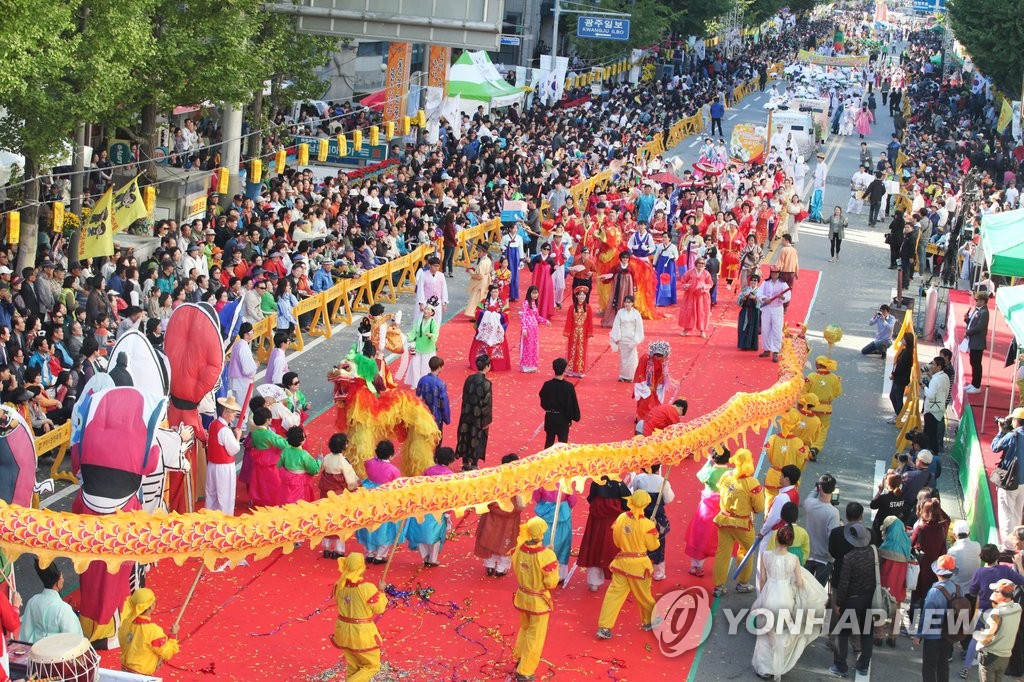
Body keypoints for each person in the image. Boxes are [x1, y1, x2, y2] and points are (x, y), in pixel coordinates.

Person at [752, 523, 827, 680]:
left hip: (769, 593)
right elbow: (799, 582)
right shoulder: (794, 559)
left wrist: (763, 595)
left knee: (765, 632)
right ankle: (777, 665)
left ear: (776, 539)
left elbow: (763, 579)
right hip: (786, 596)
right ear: (790, 542)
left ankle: (763, 668)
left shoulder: (766, 555)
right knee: (782, 631)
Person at [596, 490, 660, 639]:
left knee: (613, 596)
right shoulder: (647, 524)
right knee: (644, 595)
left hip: (621, 564)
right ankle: (649, 621)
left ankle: (604, 627)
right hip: (640, 567)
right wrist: (654, 533)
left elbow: (617, 541)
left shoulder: (621, 518)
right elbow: (653, 546)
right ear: (646, 504)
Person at [511, 516, 560, 682]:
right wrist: (550, 555)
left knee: (524, 629)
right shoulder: (547, 555)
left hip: (522, 596)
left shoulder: (518, 549)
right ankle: (525, 671)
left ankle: (520, 658)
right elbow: (551, 583)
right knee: (535, 636)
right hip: (538, 602)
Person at [712, 448, 765, 596]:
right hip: (741, 524)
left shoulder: (726, 475)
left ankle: (718, 587)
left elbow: (720, 490)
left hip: (724, 520)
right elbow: (759, 507)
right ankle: (742, 583)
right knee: (747, 551)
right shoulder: (752, 483)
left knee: (722, 553)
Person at [829, 521, 878, 677]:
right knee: (867, 632)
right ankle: (864, 665)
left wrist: (838, 603)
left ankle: (840, 665)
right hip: (870, 598)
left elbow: (844, 583)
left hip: (852, 600)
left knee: (843, 633)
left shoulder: (849, 557)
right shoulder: (874, 553)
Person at [332, 553, 388, 682]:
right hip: (361, 633)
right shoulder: (367, 588)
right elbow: (379, 609)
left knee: (354, 666)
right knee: (371, 666)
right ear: (361, 566)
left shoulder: (339, 585)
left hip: (343, 631)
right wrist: (381, 591)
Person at [474, 453, 525, 577]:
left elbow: (483, 496)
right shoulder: (518, 481)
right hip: (510, 517)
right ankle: (501, 568)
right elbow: (521, 503)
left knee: (489, 538)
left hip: (492, 514)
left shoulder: (494, 479)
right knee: (505, 542)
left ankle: (490, 565)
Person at [354, 440, 404, 563]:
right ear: (391, 455)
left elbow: (368, 465)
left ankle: (369, 553)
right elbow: (398, 486)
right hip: (384, 500)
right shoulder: (394, 470)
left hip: (369, 497)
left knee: (369, 524)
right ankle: (380, 555)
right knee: (384, 527)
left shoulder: (369, 463)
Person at [578, 476, 631, 592]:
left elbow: (591, 498)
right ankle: (618, 580)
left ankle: (594, 582)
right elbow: (627, 502)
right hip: (614, 522)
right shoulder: (619, 483)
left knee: (595, 548)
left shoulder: (596, 481)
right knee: (615, 550)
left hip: (597, 522)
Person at [406, 447, 456, 567]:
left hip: (425, 505)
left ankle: (425, 555)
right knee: (437, 534)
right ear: (450, 460)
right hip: (440, 508)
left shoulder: (429, 470)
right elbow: (449, 495)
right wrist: (448, 513)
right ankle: (432, 558)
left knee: (421, 530)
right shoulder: (449, 475)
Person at [914, 554, 960, 682]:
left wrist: (919, 635)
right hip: (949, 634)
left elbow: (927, 615)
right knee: (943, 665)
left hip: (933, 636)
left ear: (937, 572)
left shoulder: (934, 591)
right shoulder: (957, 589)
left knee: (929, 668)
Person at [686, 448, 731, 577]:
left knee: (701, 536)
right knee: (723, 537)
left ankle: (697, 566)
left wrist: (708, 461)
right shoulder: (731, 473)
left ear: (714, 458)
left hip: (707, 508)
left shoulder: (709, 472)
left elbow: (699, 475)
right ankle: (722, 567)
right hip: (725, 507)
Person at [119, 588, 180, 675]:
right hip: (141, 676)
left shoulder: (126, 623)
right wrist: (173, 636)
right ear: (151, 606)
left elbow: (126, 644)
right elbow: (167, 653)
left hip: (124, 672)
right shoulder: (153, 631)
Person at [630, 464, 676, 581]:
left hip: (641, 514)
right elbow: (669, 498)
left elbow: (632, 493)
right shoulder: (662, 481)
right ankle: (659, 573)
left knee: (638, 541)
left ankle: (638, 569)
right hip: (657, 517)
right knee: (659, 543)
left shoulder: (638, 478)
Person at [20, 560, 82, 643]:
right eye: (61, 577)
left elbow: (26, 632)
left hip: (36, 647)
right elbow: (73, 637)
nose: (63, 579)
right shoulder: (63, 608)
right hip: (57, 649)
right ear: (57, 583)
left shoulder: (33, 601)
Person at [319, 432, 359, 559]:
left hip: (326, 493)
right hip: (339, 494)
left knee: (327, 519)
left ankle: (326, 548)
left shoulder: (326, 458)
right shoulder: (343, 462)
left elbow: (321, 469)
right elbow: (351, 481)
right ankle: (338, 549)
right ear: (344, 446)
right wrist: (354, 488)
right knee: (339, 521)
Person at [974, 578, 1023, 682]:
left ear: (1001, 594)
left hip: (991, 656)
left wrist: (978, 636)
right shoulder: (1017, 607)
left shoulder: (996, 612)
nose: (993, 593)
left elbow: (987, 637)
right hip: (1005, 656)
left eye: (995, 591)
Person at [206, 393, 242, 515]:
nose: (234, 415)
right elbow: (234, 449)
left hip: (212, 465)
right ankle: (225, 519)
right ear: (225, 412)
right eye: (232, 412)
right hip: (224, 467)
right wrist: (238, 437)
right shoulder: (225, 430)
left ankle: (209, 517)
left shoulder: (213, 424)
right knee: (225, 497)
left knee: (211, 494)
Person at [762, 411, 808, 508]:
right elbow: (800, 462)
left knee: (770, 504)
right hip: (790, 479)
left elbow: (769, 454)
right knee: (787, 505)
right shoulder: (798, 442)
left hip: (773, 476)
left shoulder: (773, 438)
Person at [456, 354, 493, 470]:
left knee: (465, 436)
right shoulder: (486, 383)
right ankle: (474, 464)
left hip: (467, 413)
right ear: (487, 366)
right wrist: (486, 421)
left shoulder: (469, 379)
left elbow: (464, 397)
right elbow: (487, 404)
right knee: (477, 438)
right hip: (478, 417)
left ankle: (465, 463)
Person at [533, 482, 576, 581]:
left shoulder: (544, 480)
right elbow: (572, 499)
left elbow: (536, 496)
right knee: (563, 543)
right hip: (562, 512)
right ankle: (560, 574)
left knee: (544, 541)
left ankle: (542, 570)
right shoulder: (565, 482)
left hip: (545, 510)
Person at [804, 473, 841, 586]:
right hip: (825, 558)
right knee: (818, 590)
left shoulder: (809, 504)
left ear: (819, 487)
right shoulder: (833, 513)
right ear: (833, 489)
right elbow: (832, 537)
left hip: (809, 553)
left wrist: (817, 487)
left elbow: (811, 494)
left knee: (805, 586)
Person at [993, 409, 1024, 542]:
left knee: (1006, 514)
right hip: (1022, 483)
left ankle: (1007, 546)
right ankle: (1016, 541)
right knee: (1017, 513)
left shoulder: (1013, 435)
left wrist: (1001, 432)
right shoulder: (1013, 435)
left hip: (1010, 481)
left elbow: (995, 447)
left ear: (1016, 421)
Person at [539, 357, 581, 448]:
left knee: (549, 442)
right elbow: (572, 404)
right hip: (563, 419)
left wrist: (549, 409)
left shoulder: (547, 385)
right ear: (564, 369)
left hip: (550, 417)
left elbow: (542, 399)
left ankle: (546, 457)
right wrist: (571, 417)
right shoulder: (568, 387)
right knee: (563, 444)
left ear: (553, 368)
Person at [468, 284, 510, 372]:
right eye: (493, 291)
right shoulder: (483, 302)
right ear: (490, 292)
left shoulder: (503, 304)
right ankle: (481, 364)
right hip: (485, 330)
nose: (495, 293)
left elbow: (506, 314)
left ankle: (496, 365)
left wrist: (496, 316)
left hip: (497, 329)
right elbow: (477, 311)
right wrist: (487, 315)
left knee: (497, 348)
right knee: (482, 346)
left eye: (496, 291)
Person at [805, 355, 842, 453]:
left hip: (811, 407)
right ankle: (815, 448)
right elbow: (838, 392)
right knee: (822, 429)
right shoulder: (834, 378)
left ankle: (807, 445)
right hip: (825, 409)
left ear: (818, 365)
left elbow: (804, 391)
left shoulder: (811, 376)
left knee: (810, 426)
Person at [277, 425, 321, 504]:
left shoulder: (285, 451)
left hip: (287, 481)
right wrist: (319, 460)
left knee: (287, 501)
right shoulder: (304, 454)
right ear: (301, 441)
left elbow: (278, 465)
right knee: (301, 503)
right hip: (300, 483)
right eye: (304, 437)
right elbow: (314, 469)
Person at [633, 340, 670, 425]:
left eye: (660, 356)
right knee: (645, 399)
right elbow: (640, 371)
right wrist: (646, 385)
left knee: (656, 400)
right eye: (657, 355)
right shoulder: (645, 358)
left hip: (656, 383)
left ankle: (653, 417)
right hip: (644, 381)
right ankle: (640, 418)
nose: (658, 358)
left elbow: (662, 374)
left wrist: (658, 385)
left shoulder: (664, 360)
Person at [757, 265, 789, 362]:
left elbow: (788, 296)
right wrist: (764, 299)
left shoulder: (783, 284)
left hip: (777, 309)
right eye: (773, 272)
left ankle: (775, 351)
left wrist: (782, 297)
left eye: (776, 273)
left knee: (777, 330)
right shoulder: (765, 283)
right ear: (770, 273)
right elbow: (759, 293)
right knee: (765, 329)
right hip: (766, 309)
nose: (774, 274)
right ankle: (767, 349)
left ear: (779, 273)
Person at [405, 299, 439, 388]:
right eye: (425, 309)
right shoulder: (419, 321)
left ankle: (424, 384)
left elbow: (436, 335)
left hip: (428, 348)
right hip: (418, 346)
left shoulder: (433, 323)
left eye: (428, 309)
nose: (426, 311)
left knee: (425, 367)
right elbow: (414, 332)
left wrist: (431, 335)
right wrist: (406, 336)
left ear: (432, 312)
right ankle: (415, 383)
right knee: (415, 365)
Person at [610, 295, 644, 382]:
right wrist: (617, 337)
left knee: (632, 359)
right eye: (625, 302)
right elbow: (616, 325)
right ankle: (623, 376)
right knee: (623, 359)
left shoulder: (636, 313)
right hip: (622, 338)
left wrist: (636, 339)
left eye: (629, 302)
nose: (627, 304)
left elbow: (639, 328)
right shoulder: (620, 312)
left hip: (632, 339)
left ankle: (631, 376)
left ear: (632, 303)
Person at [415, 356, 451, 438]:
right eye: (442, 366)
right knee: (435, 439)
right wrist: (447, 418)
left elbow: (417, 396)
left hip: (423, 415)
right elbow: (444, 403)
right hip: (436, 417)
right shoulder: (441, 384)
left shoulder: (422, 380)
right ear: (438, 367)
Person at [678, 256, 713, 337]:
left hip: (702, 296)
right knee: (689, 312)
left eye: (702, 263)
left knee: (702, 312)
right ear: (696, 264)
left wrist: (705, 286)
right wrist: (686, 285)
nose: (701, 265)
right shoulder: (690, 272)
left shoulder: (706, 273)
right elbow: (683, 280)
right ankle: (686, 329)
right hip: (691, 295)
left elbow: (710, 283)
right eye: (699, 263)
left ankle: (702, 330)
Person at [922, 355, 951, 454]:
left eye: (933, 364)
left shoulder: (936, 380)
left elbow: (930, 395)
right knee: (932, 432)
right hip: (939, 407)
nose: (931, 366)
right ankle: (932, 452)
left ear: (939, 367)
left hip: (931, 409)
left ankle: (930, 452)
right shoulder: (945, 377)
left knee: (929, 433)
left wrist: (924, 387)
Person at [519, 285, 550, 374]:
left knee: (533, 346)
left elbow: (537, 316)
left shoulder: (534, 304)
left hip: (534, 329)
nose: (535, 295)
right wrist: (524, 328)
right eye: (533, 293)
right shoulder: (526, 303)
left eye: (536, 293)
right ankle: (526, 365)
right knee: (527, 347)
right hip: (527, 329)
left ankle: (532, 365)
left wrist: (545, 321)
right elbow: (523, 316)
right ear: (529, 293)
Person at [964, 290, 990, 394]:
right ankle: (973, 383)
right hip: (973, 341)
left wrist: (968, 332)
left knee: (976, 364)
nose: (975, 301)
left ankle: (977, 385)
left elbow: (979, 327)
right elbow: (972, 322)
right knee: (973, 362)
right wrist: (967, 319)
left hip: (978, 342)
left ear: (983, 301)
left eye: (977, 300)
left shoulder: (984, 312)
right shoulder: (978, 310)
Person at [413, 256, 448, 325]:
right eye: (434, 266)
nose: (436, 268)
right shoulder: (423, 275)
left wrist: (444, 302)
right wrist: (421, 303)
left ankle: (434, 331)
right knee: (423, 320)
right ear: (430, 265)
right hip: (426, 300)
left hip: (437, 301)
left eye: (438, 266)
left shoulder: (441, 275)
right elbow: (420, 289)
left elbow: (444, 289)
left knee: (436, 320)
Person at [889, 332, 916, 421]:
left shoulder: (907, 353)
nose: (902, 340)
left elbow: (900, 366)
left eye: (904, 339)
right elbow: (898, 364)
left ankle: (898, 416)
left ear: (907, 341)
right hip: (898, 378)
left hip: (900, 379)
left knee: (897, 397)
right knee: (893, 396)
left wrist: (893, 374)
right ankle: (897, 414)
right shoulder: (905, 351)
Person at [464, 242, 493, 317]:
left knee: (476, 299)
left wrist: (470, 271)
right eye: (478, 251)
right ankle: (478, 314)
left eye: (480, 251)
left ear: (484, 252)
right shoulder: (488, 260)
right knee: (480, 298)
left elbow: (479, 276)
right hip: (485, 281)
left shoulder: (483, 262)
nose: (478, 253)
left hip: (481, 282)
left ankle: (475, 315)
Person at [736, 272, 761, 351]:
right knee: (743, 327)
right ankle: (743, 344)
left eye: (755, 280)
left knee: (753, 328)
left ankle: (752, 345)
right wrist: (742, 299)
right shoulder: (745, 289)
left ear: (758, 282)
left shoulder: (760, 291)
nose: (753, 282)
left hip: (754, 312)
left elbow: (762, 302)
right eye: (752, 280)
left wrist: (755, 298)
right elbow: (738, 299)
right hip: (745, 311)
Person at [652, 232, 678, 306]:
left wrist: (673, 257)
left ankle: (670, 300)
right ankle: (659, 300)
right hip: (661, 264)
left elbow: (676, 257)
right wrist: (654, 265)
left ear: (669, 238)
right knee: (659, 280)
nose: (664, 238)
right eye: (663, 237)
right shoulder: (660, 246)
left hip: (670, 265)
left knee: (670, 280)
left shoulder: (673, 247)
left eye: (665, 237)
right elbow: (656, 255)